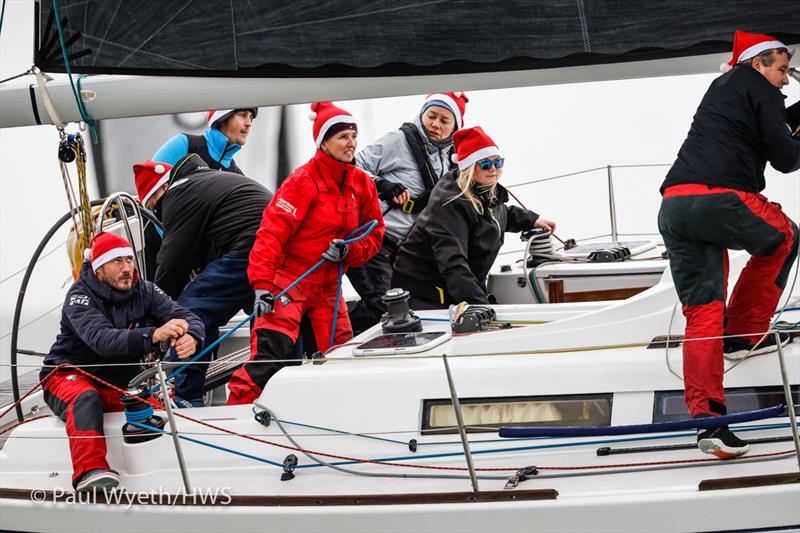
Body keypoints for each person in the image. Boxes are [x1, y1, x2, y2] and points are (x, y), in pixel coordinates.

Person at [658, 30, 800, 459]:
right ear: (758, 64)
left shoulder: (724, 89)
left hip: (675, 207)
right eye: (782, 69)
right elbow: (787, 158)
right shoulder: (759, 88)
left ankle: (709, 424)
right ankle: (742, 335)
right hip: (719, 197)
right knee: (785, 237)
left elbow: (764, 132)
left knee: (702, 314)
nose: (786, 81)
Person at [226, 102, 385, 405]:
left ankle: (333, 411)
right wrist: (261, 286)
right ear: (323, 141)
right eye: (342, 136)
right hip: (289, 280)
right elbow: (270, 234)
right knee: (272, 353)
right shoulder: (303, 181)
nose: (350, 142)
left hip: (328, 285)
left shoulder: (362, 184)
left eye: (353, 135)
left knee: (340, 354)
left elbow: (374, 235)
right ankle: (236, 413)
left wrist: (349, 251)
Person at [40, 232, 204, 492]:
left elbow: (185, 315)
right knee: (85, 398)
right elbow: (103, 341)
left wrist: (192, 335)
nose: (127, 268)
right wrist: (155, 335)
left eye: (129, 259)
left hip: (116, 382)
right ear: (99, 268)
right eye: (117, 261)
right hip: (66, 374)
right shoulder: (79, 296)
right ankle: (90, 472)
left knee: (158, 413)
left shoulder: (145, 290)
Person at [134, 155, 273, 407]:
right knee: (265, 317)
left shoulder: (177, 193)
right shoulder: (208, 181)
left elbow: (172, 263)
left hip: (250, 248)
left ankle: (187, 396)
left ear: (163, 189)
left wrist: (154, 316)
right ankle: (272, 388)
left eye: (155, 207)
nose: (159, 214)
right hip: (273, 246)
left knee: (192, 309)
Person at [392, 126, 555, 309]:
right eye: (485, 164)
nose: (493, 169)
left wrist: (531, 219)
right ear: (469, 167)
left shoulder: (483, 192)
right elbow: (453, 263)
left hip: (454, 287)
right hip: (426, 292)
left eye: (498, 162)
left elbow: (497, 214)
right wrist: (481, 307)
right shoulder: (449, 204)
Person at [346, 92, 469, 333]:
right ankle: (317, 328)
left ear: (455, 127)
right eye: (431, 116)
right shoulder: (397, 141)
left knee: (408, 309)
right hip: (375, 242)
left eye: (445, 121)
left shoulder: (452, 159)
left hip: (406, 252)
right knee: (384, 309)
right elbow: (350, 166)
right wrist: (381, 184)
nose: (435, 124)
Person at [152, 108, 257, 174]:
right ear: (222, 120)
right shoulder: (184, 144)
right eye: (242, 115)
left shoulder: (237, 175)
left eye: (251, 117)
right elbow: (149, 191)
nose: (249, 123)